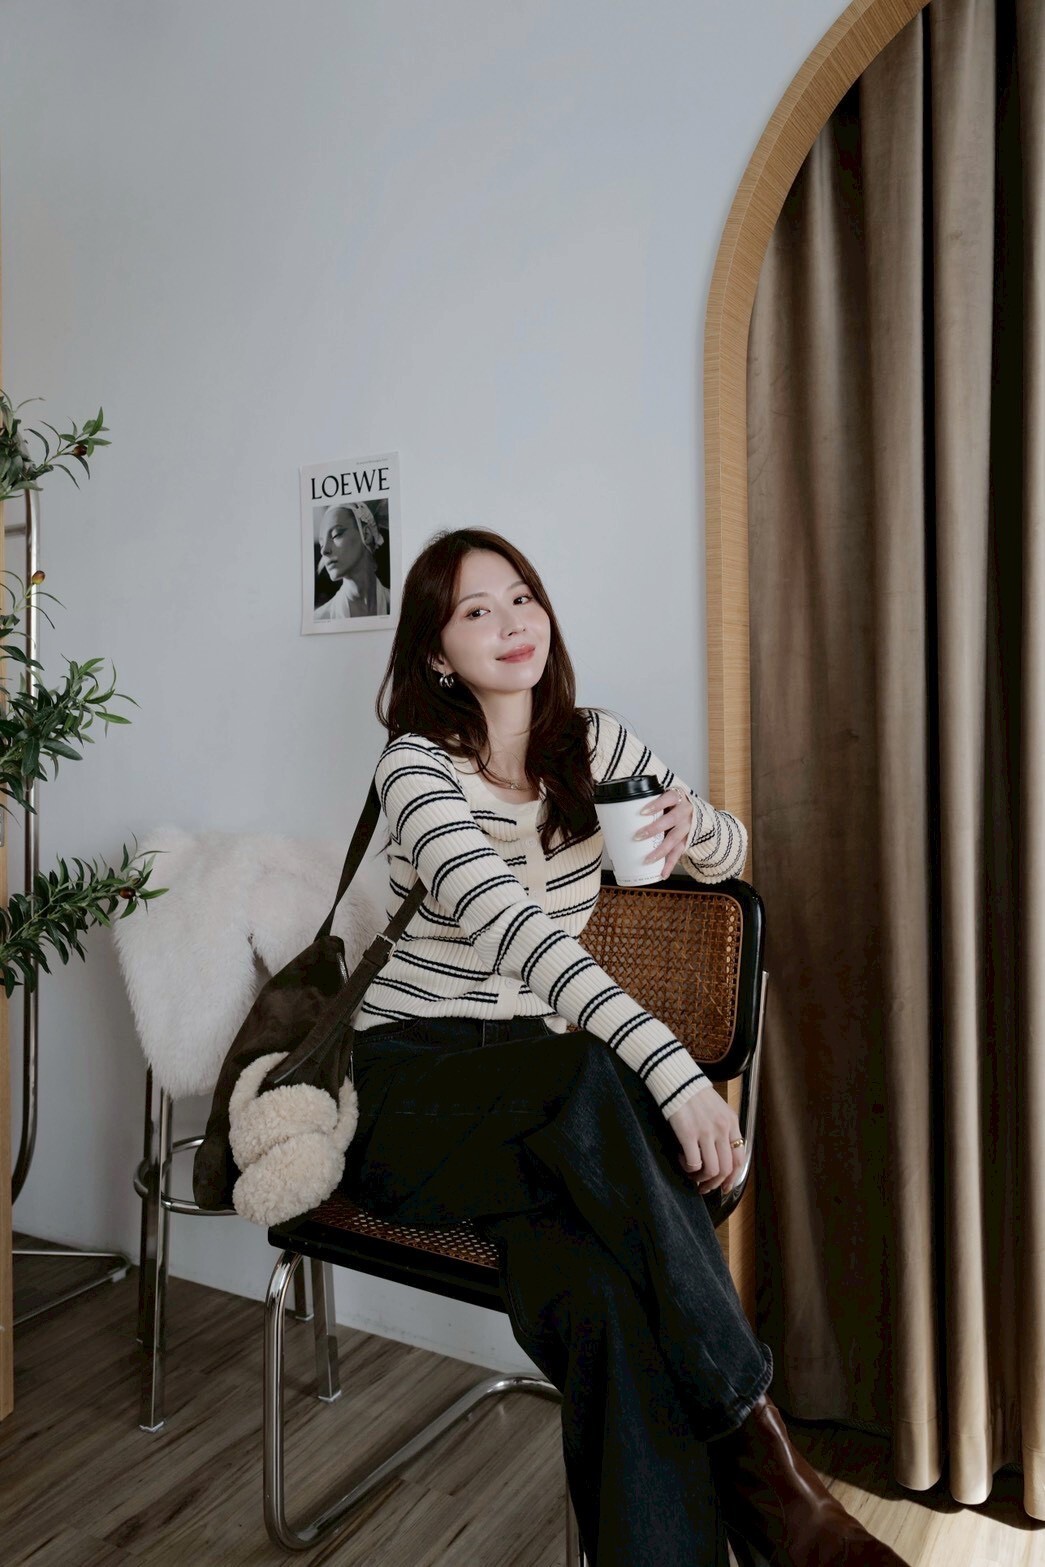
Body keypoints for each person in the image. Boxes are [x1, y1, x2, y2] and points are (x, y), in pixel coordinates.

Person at [340, 527, 906, 1567]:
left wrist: (695, 826)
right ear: (434, 652)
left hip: (550, 1106)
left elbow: (732, 853)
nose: (511, 623)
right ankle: (769, 1468)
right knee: (585, 1068)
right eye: (475, 611)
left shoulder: (593, 744)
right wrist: (673, 1070)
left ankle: (752, 1505)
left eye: (521, 597)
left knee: (601, 1298)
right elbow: (515, 930)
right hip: (417, 1089)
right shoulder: (415, 769)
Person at [314, 502, 390, 619]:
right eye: (321, 544)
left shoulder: (400, 606)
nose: (324, 551)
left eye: (335, 535)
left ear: (366, 534)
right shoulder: (320, 618)